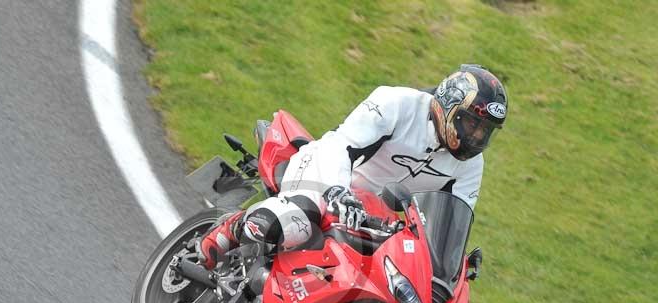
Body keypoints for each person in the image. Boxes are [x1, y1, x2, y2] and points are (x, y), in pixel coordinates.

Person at [198, 64, 508, 269]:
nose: (476, 135)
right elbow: (342, 145)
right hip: (328, 173)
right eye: (472, 123)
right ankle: (230, 230)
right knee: (299, 219)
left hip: (373, 212)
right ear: (449, 106)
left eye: (485, 130)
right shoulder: (397, 103)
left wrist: (454, 263)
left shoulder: (471, 166)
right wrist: (337, 190)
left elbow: (453, 223)